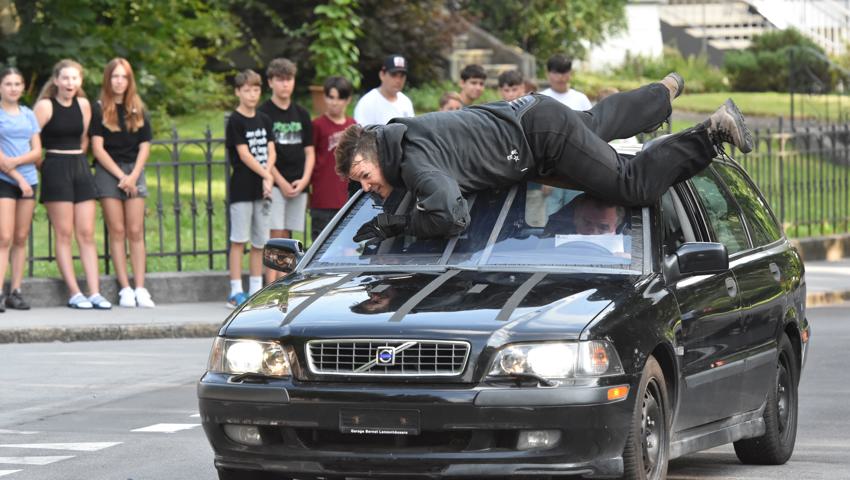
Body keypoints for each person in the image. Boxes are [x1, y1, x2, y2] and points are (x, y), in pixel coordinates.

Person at [335, 73, 754, 242]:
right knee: (596, 121)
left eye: (365, 175)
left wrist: (396, 224)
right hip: (531, 114)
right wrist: (381, 197)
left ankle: (712, 131)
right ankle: (664, 90)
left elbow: (452, 216)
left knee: (631, 184)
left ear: (376, 153)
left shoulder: (413, 162)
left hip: (541, 140)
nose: (368, 186)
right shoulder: (401, 133)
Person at [34, 59, 111, 309]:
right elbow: (30, 138)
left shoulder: (84, 104)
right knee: (64, 233)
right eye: (65, 78)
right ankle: (75, 292)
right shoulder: (45, 106)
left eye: (74, 78)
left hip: (79, 168)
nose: (70, 83)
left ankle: (95, 292)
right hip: (55, 167)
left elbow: (84, 139)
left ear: (80, 81)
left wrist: (78, 157)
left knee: (87, 233)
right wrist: (44, 164)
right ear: (56, 80)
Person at [90, 58, 155, 308]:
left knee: (136, 231)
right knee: (117, 231)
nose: (119, 81)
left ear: (130, 80)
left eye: (124, 77)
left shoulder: (138, 108)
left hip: (134, 171)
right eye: (115, 76)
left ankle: (140, 287)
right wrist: (121, 177)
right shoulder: (99, 109)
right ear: (108, 79)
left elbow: (145, 146)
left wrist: (133, 175)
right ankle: (125, 288)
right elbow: (97, 148)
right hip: (110, 172)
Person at [225, 69, 276, 308]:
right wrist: (267, 175)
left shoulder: (265, 119)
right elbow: (244, 154)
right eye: (247, 90)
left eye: (256, 89)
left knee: (260, 241)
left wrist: (267, 177)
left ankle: (256, 288)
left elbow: (271, 150)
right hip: (242, 188)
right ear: (238, 92)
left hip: (263, 189)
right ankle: (236, 289)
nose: (252, 94)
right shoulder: (235, 120)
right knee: (239, 240)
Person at [259, 58, 314, 255]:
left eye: (289, 79)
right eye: (280, 79)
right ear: (270, 82)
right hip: (274, 183)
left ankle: (287, 278)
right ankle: (272, 281)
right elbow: (264, 153)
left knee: (290, 236)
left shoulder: (302, 113)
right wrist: (280, 181)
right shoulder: (263, 114)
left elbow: (309, 150)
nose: (285, 84)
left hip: (298, 182)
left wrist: (305, 180)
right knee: (275, 234)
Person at [0, 67, 41, 312]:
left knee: (20, 238)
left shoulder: (28, 114)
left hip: (28, 180)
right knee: (4, 237)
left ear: (23, 87)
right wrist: (17, 175)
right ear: (1, 87)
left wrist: (18, 165)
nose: (13, 88)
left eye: (17, 84)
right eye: (8, 84)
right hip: (5, 181)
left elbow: (37, 150)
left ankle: (16, 290)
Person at [310, 76, 356, 242]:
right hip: (322, 200)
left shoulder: (354, 126)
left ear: (348, 99)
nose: (335, 102)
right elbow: (309, 159)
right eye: (331, 97)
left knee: (345, 246)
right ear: (325, 97)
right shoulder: (317, 125)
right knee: (319, 246)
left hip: (346, 199)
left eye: (340, 98)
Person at [353, 54, 414, 126]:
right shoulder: (367, 103)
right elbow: (359, 134)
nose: (398, 80)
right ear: (382, 75)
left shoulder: (406, 102)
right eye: (393, 75)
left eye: (402, 76)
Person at [543, 193, 626, 237]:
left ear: (616, 228)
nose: (593, 232)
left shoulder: (631, 247)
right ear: (576, 219)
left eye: (603, 227)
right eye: (587, 223)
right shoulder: (553, 240)